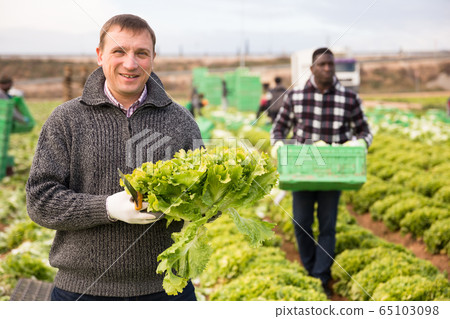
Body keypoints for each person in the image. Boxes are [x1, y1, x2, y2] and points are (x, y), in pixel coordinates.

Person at [26, 14, 203, 301]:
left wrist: (193, 202)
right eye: (119, 51)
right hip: (80, 290)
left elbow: (208, 205)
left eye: (141, 53)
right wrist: (106, 207)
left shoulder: (181, 121)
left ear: (153, 58)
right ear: (100, 55)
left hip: (165, 290)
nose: (130, 64)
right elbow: (40, 201)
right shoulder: (66, 120)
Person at [271, 48, 372, 297]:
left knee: (328, 226)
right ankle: (310, 269)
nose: (327, 68)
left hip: (334, 172)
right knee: (301, 223)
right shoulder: (295, 96)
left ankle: (320, 276)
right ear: (312, 68)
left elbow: (365, 131)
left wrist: (360, 144)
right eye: (322, 64)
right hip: (302, 172)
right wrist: (278, 146)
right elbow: (278, 130)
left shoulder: (349, 98)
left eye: (331, 64)